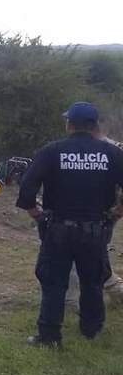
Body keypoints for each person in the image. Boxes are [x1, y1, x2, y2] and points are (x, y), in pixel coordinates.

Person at [16, 101, 123, 347]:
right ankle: (91, 330)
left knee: (54, 283)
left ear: (70, 124)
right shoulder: (112, 153)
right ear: (94, 125)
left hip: (58, 230)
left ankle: (49, 336)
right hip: (96, 230)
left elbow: (27, 186)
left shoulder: (53, 151)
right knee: (93, 281)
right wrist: (117, 212)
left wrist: (36, 213)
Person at [66, 122, 123, 306]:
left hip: (100, 212)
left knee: (83, 252)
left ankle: (73, 299)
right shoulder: (113, 148)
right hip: (105, 211)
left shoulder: (107, 150)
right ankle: (115, 289)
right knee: (95, 251)